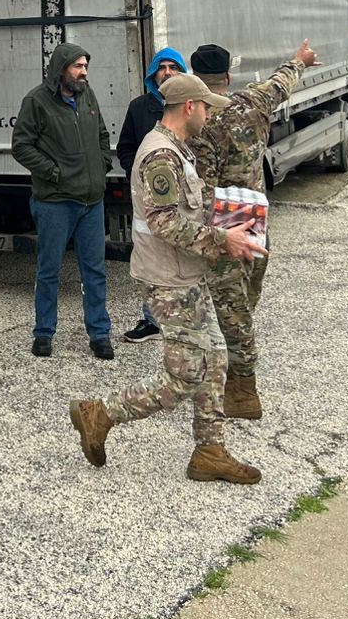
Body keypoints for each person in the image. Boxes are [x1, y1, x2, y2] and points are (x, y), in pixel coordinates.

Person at [68, 74, 269, 482]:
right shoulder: (161, 156)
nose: (210, 114)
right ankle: (100, 412)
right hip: (169, 280)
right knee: (184, 375)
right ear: (189, 107)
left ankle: (210, 451)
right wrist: (221, 240)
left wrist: (237, 212)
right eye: (207, 107)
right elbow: (165, 222)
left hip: (186, 274)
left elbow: (189, 203)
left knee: (215, 357)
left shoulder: (179, 150)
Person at [187, 39, 317, 419]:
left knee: (232, 310)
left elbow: (202, 188)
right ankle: (233, 373)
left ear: (196, 78)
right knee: (245, 302)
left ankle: (243, 393)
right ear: (228, 76)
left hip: (225, 229)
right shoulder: (253, 102)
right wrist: (301, 59)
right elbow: (282, 80)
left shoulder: (200, 121)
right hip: (257, 224)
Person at [10, 43, 113, 360]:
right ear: (61, 70)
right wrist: (53, 173)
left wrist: (103, 163)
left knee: (94, 271)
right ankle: (43, 334)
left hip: (92, 202)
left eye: (85, 66)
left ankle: (100, 334)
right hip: (55, 202)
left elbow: (101, 134)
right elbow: (21, 146)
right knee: (49, 270)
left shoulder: (87, 95)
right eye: (77, 67)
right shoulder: (36, 101)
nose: (83, 72)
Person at [117, 46, 188, 344]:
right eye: (163, 67)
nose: (168, 72)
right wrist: (140, 174)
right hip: (148, 203)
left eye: (174, 67)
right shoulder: (138, 108)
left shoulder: (191, 107)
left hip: (184, 201)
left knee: (185, 257)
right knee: (150, 260)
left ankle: (186, 319)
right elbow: (125, 148)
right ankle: (152, 321)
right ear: (153, 73)